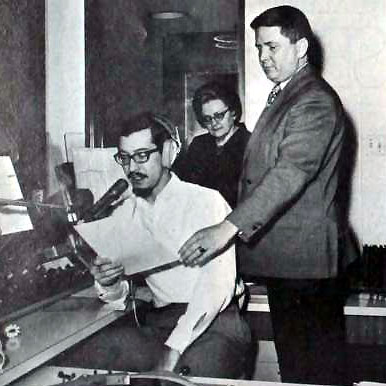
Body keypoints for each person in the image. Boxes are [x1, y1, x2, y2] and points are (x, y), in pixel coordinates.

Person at [178, 6, 355, 385]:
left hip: (306, 263)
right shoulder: (289, 95)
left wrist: (227, 228)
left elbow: (289, 173)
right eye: (259, 48)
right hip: (290, 263)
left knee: (315, 373)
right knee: (298, 369)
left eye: (272, 47)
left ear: (301, 46)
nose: (262, 57)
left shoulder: (313, 100)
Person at [58, 112, 253, 378]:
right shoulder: (124, 213)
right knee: (81, 364)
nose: (132, 168)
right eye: (124, 158)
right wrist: (109, 282)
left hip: (216, 322)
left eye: (142, 155)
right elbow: (119, 299)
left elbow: (216, 288)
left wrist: (173, 349)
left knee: (181, 379)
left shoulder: (207, 202)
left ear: (168, 152)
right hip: (160, 323)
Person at [173, 82, 250, 208]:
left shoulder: (250, 143)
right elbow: (184, 185)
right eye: (207, 119)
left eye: (219, 116)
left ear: (234, 112)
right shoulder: (198, 145)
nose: (214, 123)